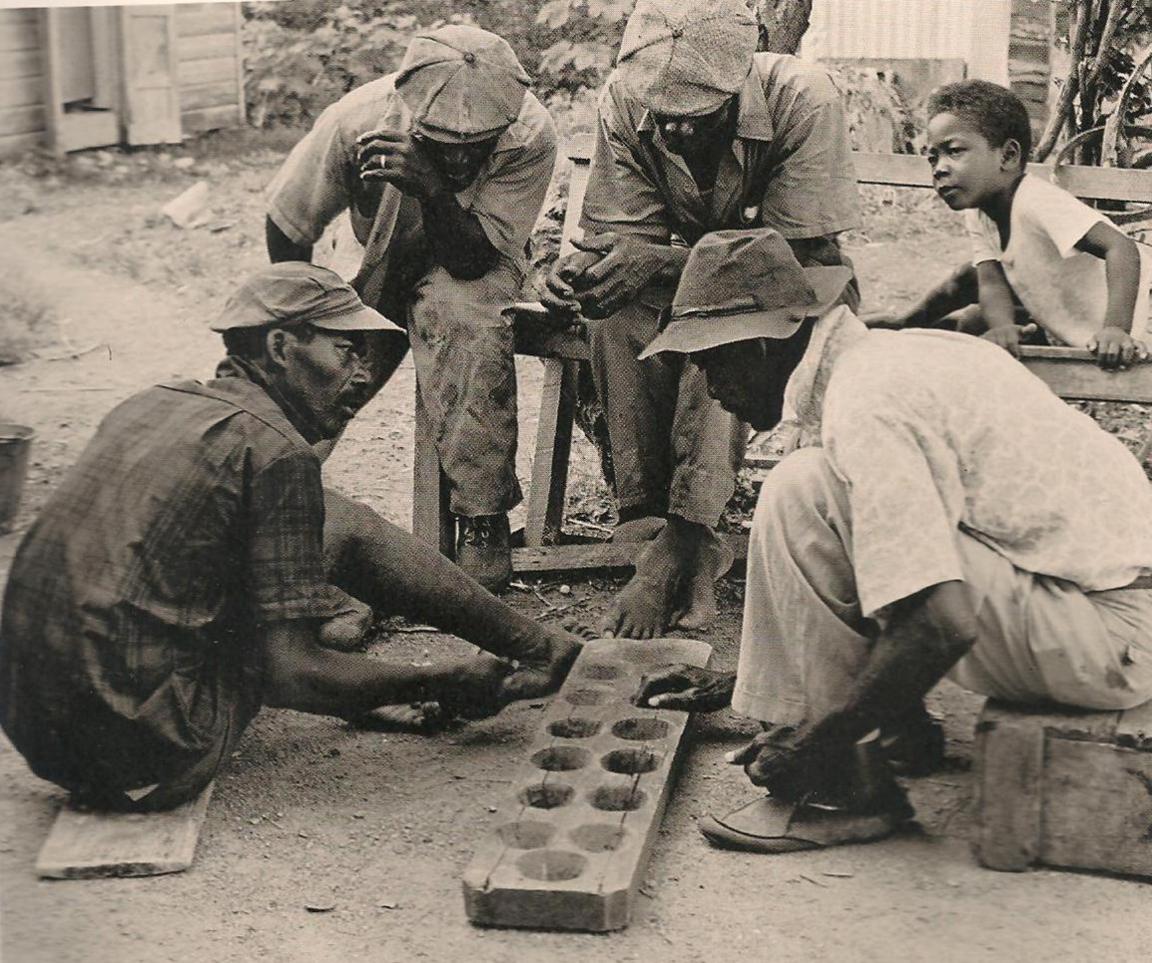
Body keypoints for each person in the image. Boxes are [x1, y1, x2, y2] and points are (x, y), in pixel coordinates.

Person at [635, 228, 1152, 854]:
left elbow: (942, 625)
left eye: (713, 360)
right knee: (833, 498)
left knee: (804, 492)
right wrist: (751, 680)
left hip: (1110, 636)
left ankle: (847, 792)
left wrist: (814, 740)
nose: (712, 388)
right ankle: (891, 730)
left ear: (766, 345)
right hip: (1091, 608)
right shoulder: (890, 356)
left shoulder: (868, 401)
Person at [0, 263, 580, 814]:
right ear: (280, 348)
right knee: (342, 535)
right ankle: (537, 648)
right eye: (345, 351)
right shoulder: (274, 451)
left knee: (324, 536)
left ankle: (522, 647)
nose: (362, 374)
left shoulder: (154, 401)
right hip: (135, 750)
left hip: (34, 726)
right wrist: (442, 679)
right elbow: (290, 675)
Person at [542, 0, 860, 638]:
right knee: (613, 308)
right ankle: (647, 521)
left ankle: (682, 541)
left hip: (787, 283)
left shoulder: (804, 96)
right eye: (662, 117)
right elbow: (619, 236)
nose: (672, 134)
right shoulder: (627, 99)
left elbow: (785, 255)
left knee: (727, 329)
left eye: (693, 118)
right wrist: (584, 272)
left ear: (737, 88)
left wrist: (659, 261)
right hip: (680, 273)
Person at [265, 25, 559, 590]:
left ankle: (482, 516)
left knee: (468, 319)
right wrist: (300, 317)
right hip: (367, 253)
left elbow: (474, 260)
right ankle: (261, 497)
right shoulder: (359, 120)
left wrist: (433, 188)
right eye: (445, 144)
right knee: (320, 370)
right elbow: (287, 222)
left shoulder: (527, 133)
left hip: (467, 252)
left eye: (477, 145)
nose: (462, 155)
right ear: (411, 114)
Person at [869, 80, 1152, 370]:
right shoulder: (978, 211)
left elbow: (1121, 246)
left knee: (969, 310)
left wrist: (1117, 329)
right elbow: (990, 279)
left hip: (1141, 316)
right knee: (973, 305)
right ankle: (911, 328)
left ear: (1007, 155)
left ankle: (915, 327)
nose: (939, 167)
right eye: (933, 157)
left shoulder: (1037, 201)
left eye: (954, 151)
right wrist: (1002, 326)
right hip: (1074, 322)